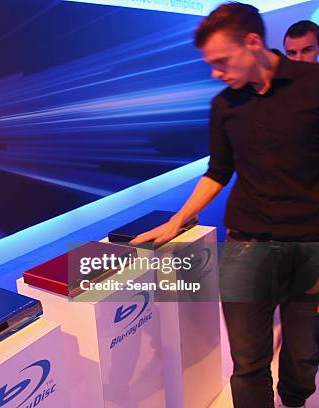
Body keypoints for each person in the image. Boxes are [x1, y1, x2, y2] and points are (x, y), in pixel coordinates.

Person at [130, 3, 319, 408]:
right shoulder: (224, 106)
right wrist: (179, 218)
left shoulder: (314, 84)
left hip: (311, 245)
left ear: (252, 43)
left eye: (221, 61)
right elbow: (218, 170)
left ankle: (294, 400)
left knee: (304, 354)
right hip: (247, 243)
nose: (216, 73)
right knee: (248, 360)